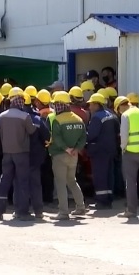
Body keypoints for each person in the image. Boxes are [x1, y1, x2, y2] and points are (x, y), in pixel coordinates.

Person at [0, 87, 37, 221]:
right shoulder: (25, 116)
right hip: (22, 153)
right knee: (22, 182)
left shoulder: (2, 116)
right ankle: (22, 212)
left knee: (4, 181)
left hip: (7, 153)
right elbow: (31, 131)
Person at [46, 92, 87, 220]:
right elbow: (83, 137)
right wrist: (76, 149)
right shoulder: (78, 119)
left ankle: (63, 212)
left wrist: (66, 148)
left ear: (60, 105)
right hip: (74, 155)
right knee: (72, 181)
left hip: (59, 154)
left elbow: (56, 138)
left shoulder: (58, 120)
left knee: (60, 183)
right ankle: (80, 207)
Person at [86, 93, 119, 210]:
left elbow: (91, 135)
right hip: (111, 150)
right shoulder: (112, 115)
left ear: (96, 104)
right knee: (109, 175)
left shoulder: (96, 117)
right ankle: (109, 199)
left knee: (100, 176)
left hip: (99, 151)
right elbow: (117, 131)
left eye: (90, 104)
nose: (89, 107)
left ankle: (101, 201)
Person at [25, 94, 50, 218]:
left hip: (20, 155)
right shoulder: (37, 119)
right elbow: (47, 137)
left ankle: (22, 210)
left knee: (20, 182)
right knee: (35, 183)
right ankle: (38, 210)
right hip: (36, 155)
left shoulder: (16, 117)